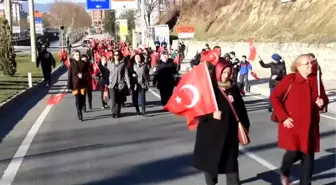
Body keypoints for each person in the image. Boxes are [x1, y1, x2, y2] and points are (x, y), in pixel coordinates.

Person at [270, 54, 329, 185]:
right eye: (307, 63)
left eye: (311, 63)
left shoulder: (316, 80)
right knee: (293, 153)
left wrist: (322, 102)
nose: (310, 65)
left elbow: (324, 98)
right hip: (292, 125)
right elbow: (274, 97)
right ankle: (285, 170)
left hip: (310, 126)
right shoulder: (289, 79)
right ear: (298, 66)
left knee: (308, 158)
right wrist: (283, 117)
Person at [193, 61, 250, 185]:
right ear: (218, 72)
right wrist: (211, 114)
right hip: (210, 137)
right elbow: (197, 110)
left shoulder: (233, 88)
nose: (226, 75)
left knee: (232, 168)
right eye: (224, 72)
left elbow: (241, 110)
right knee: (211, 168)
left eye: (229, 72)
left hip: (230, 136)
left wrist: (245, 127)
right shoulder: (209, 89)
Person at [106, 50, 130, 118]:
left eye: (117, 55)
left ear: (120, 56)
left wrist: (128, 84)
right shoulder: (110, 63)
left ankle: (118, 112)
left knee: (119, 100)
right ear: (113, 56)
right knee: (113, 100)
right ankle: (113, 112)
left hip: (120, 84)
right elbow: (107, 73)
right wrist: (106, 82)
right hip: (111, 84)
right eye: (115, 55)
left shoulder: (123, 64)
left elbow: (126, 74)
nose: (116, 56)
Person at [67, 50, 89, 121]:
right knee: (77, 100)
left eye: (79, 55)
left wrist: (83, 76)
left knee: (82, 100)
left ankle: (81, 107)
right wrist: (68, 86)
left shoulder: (84, 63)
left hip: (83, 85)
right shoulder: (71, 65)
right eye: (76, 55)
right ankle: (79, 113)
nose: (78, 56)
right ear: (73, 56)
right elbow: (69, 76)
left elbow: (87, 73)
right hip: (75, 85)